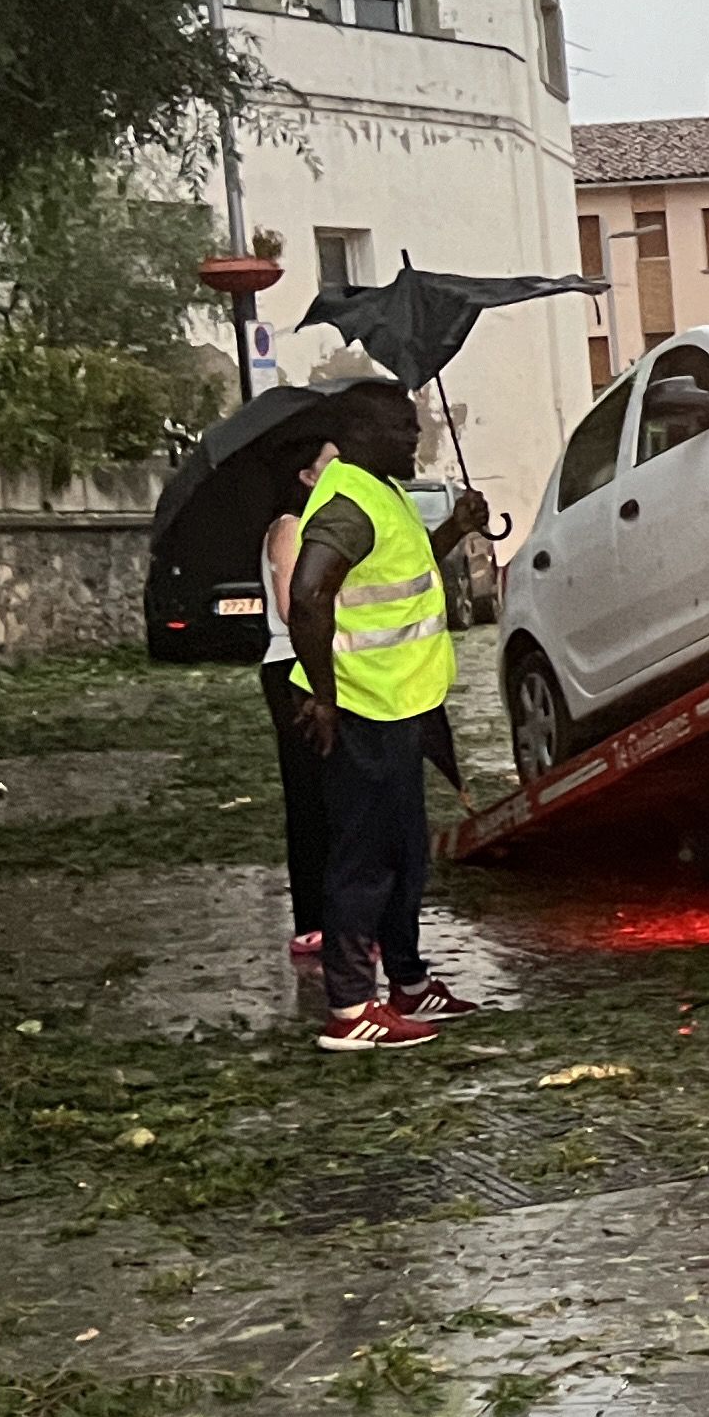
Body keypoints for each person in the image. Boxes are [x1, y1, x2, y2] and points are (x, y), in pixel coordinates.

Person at [288, 381, 489, 1051]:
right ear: (362, 432)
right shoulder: (347, 502)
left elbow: (404, 575)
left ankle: (407, 982)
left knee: (404, 855)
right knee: (363, 860)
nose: (415, 436)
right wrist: (323, 695)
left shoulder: (384, 492)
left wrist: (456, 529)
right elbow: (309, 595)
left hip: (400, 703)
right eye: (402, 427)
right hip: (361, 708)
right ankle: (350, 1009)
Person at [259, 430, 338, 964]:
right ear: (305, 477)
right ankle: (312, 921)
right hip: (291, 665)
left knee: (333, 793)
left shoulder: (325, 527)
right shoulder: (290, 528)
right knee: (309, 795)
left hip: (318, 661)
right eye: (328, 463)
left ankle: (338, 914)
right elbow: (293, 607)